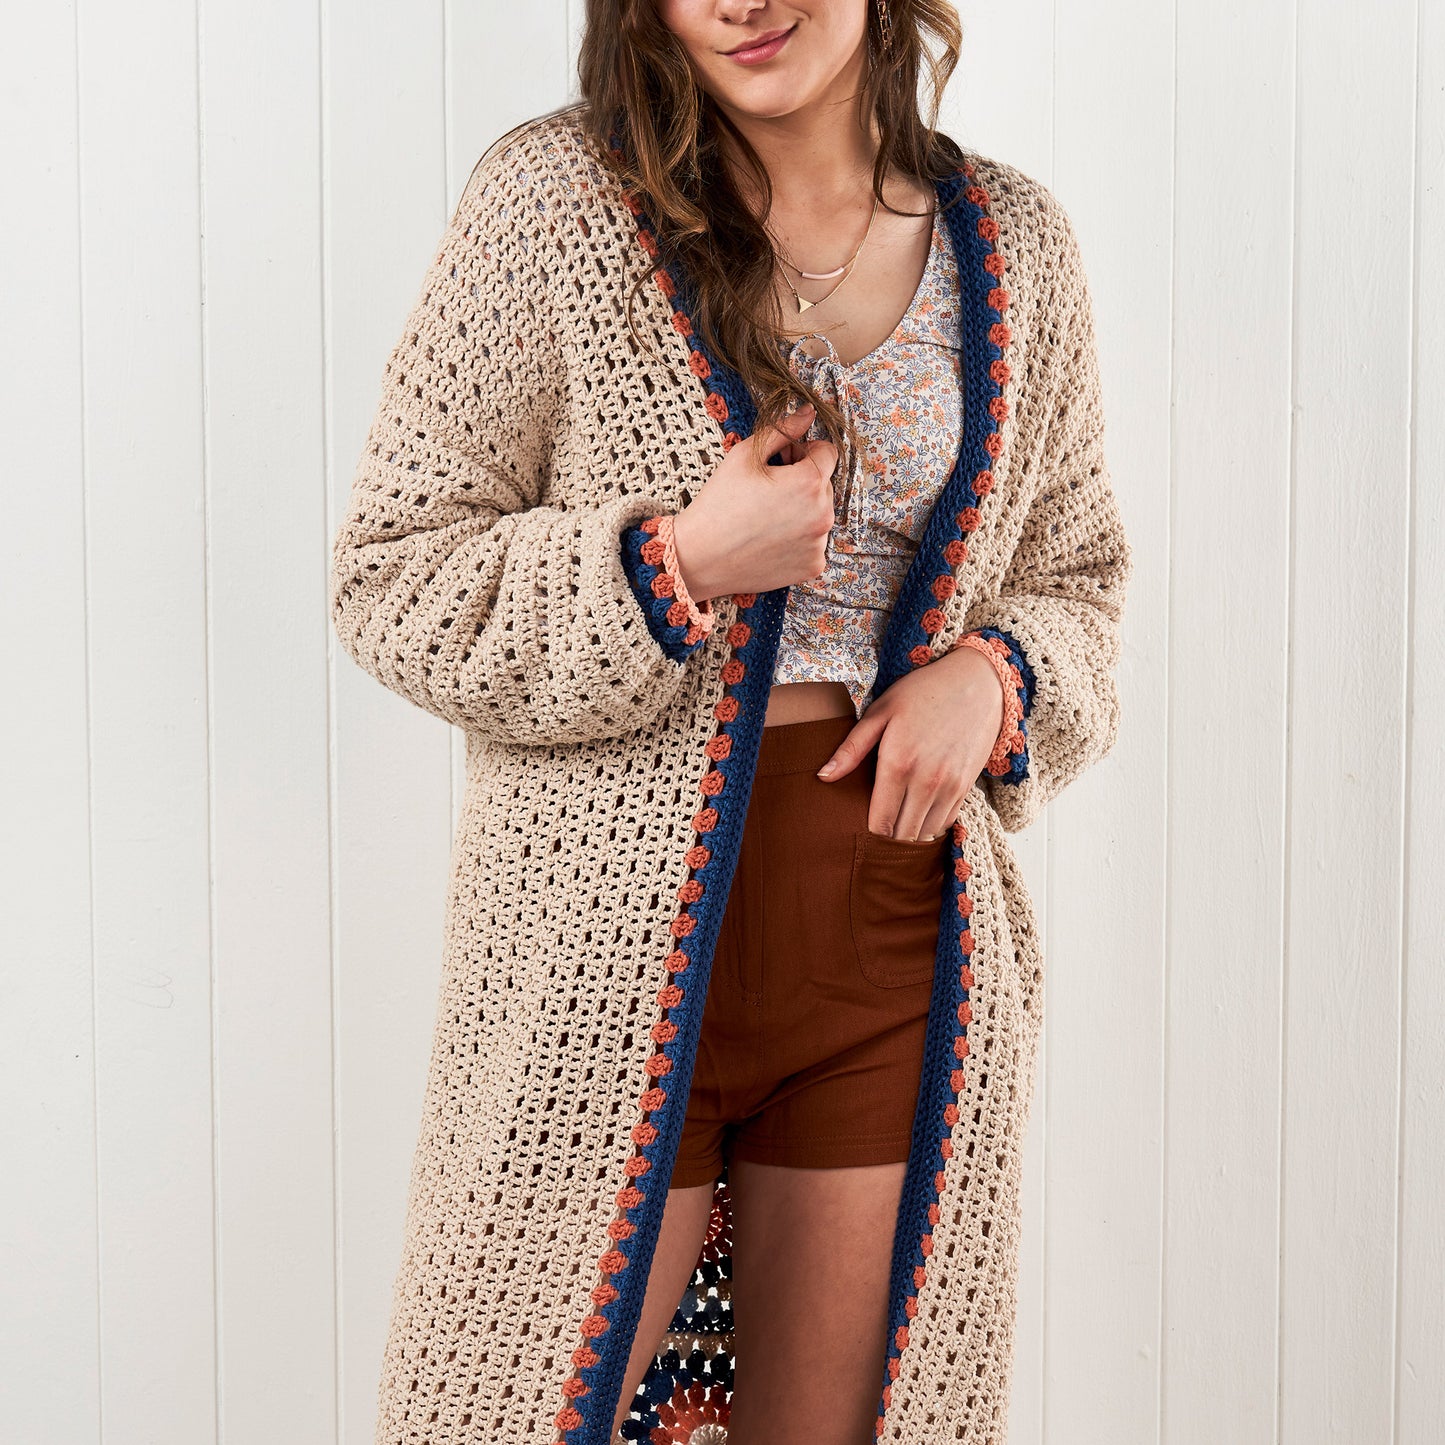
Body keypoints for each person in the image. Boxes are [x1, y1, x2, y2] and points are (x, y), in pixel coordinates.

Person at [328, 2, 1133, 1442]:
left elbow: (1078, 585)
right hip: (598, 960)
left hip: (893, 942)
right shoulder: (555, 205)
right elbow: (393, 577)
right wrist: (677, 562)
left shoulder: (1016, 244)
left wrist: (995, 677)